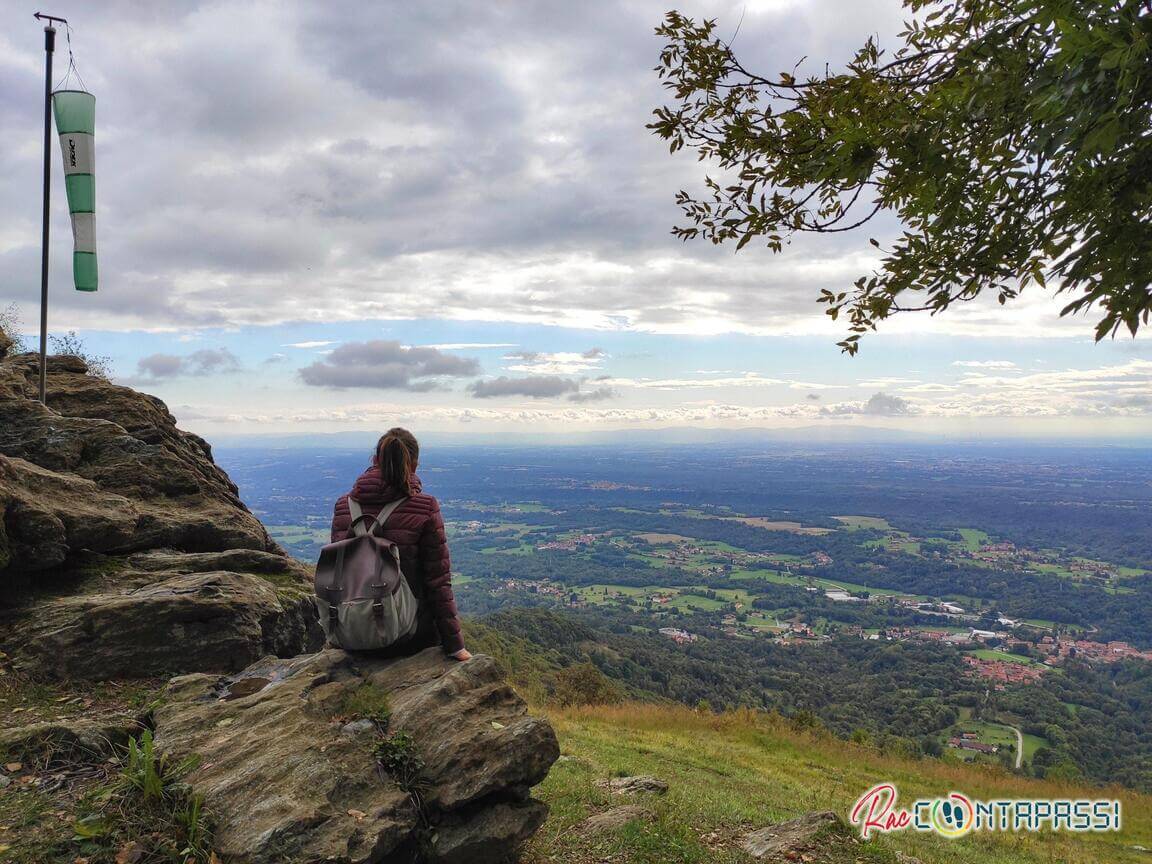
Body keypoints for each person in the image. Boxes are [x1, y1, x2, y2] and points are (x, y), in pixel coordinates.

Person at [330, 428, 470, 661]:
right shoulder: (425, 506)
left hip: (351, 632)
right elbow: (438, 582)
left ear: (375, 460)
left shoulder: (343, 505)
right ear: (414, 465)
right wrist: (455, 647)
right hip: (407, 636)